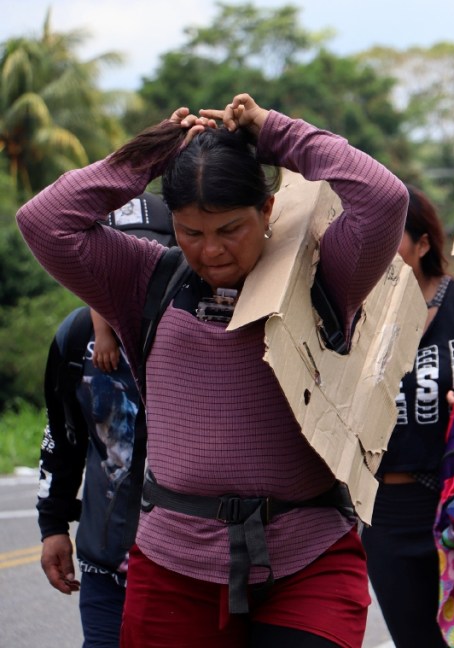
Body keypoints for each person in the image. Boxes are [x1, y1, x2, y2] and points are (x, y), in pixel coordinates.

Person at [18, 93, 410, 647]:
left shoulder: (326, 276)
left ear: (268, 211)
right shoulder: (145, 279)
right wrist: (153, 155)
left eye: (231, 229)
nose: (212, 251)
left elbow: (383, 199)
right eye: (191, 231)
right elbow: (44, 222)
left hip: (308, 555)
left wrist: (273, 132)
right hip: (174, 560)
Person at [361, 185, 454, 647]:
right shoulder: (358, 314)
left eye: (393, 237)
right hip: (388, 512)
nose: (380, 249)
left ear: (424, 244)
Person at [36, 194, 173, 648]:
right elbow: (63, 436)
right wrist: (53, 526)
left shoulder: (206, 331)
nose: (131, 275)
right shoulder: (76, 341)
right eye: (115, 259)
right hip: (105, 570)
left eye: (147, 258)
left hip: (188, 573)